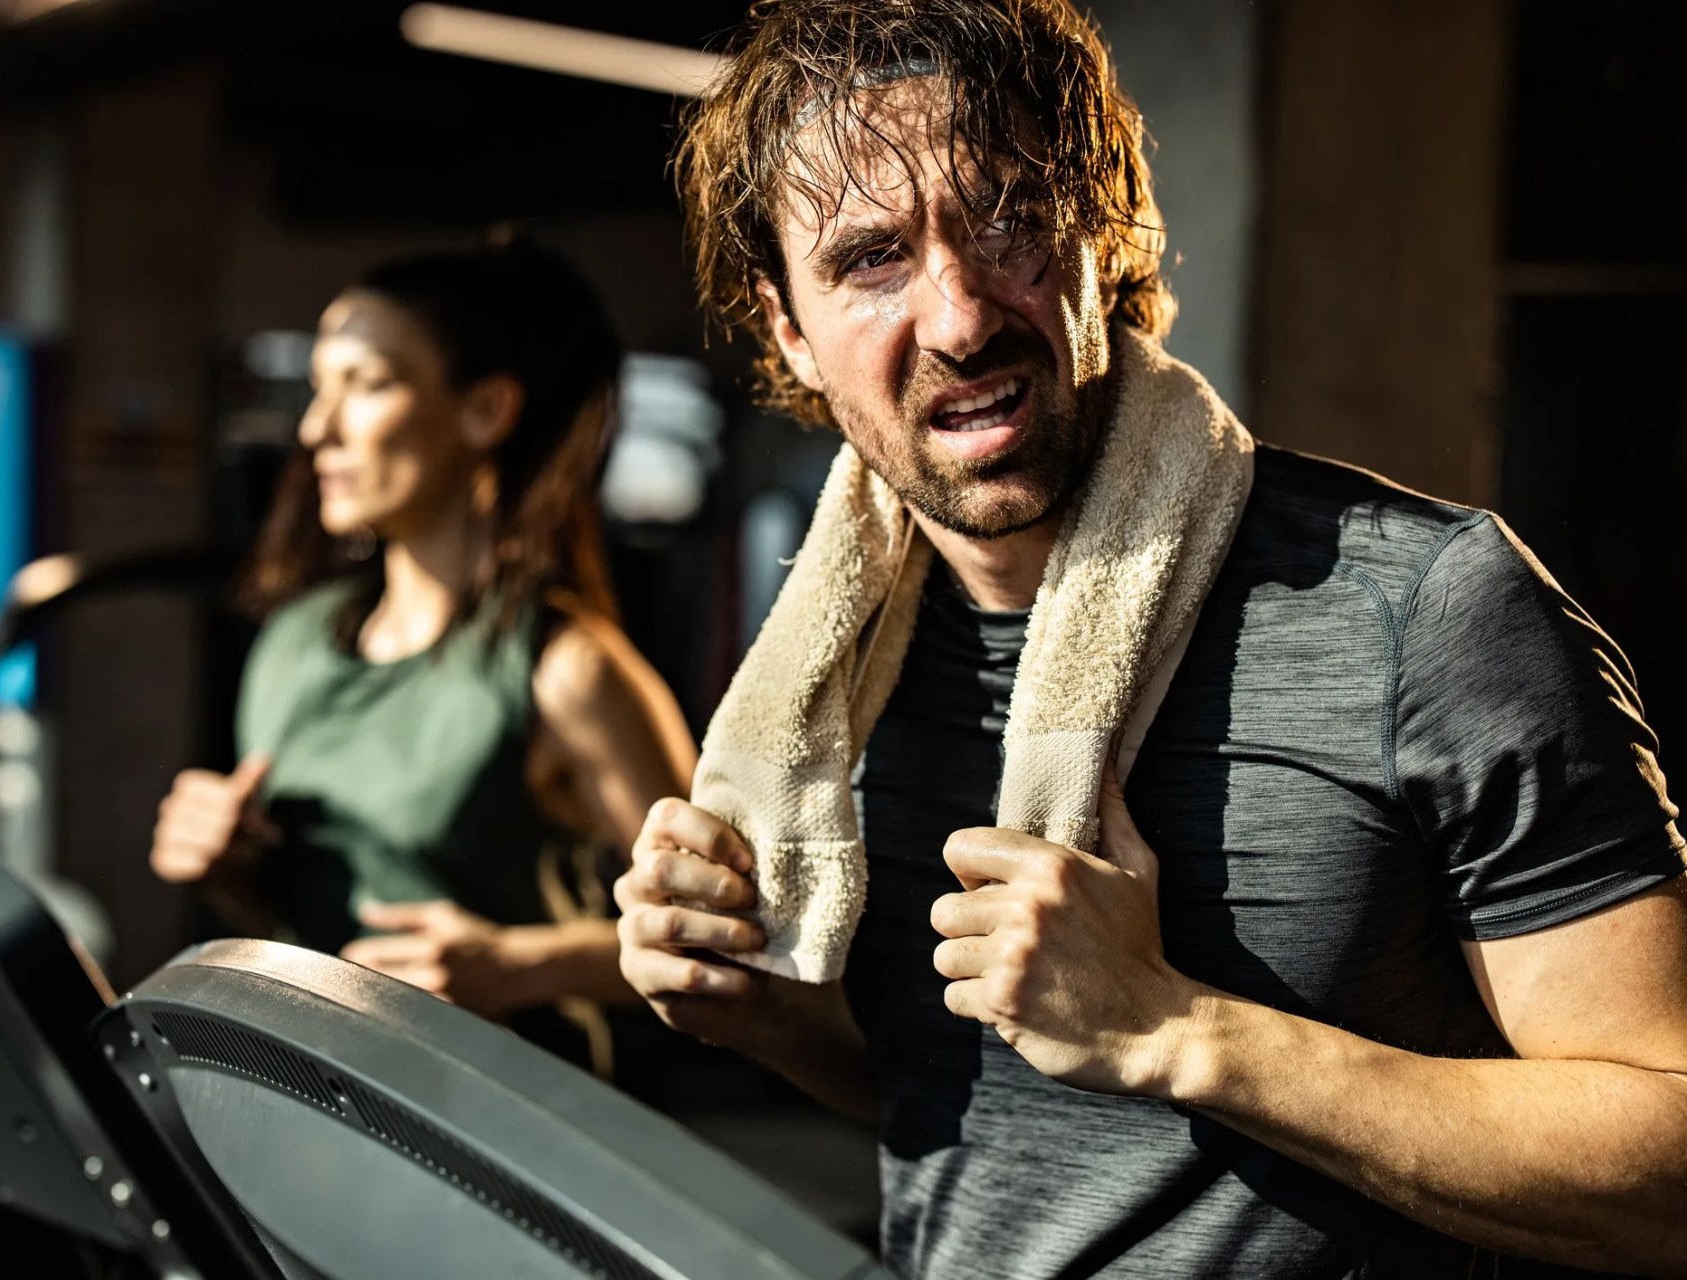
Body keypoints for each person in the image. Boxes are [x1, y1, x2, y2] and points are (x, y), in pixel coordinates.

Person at [615, 3, 1687, 1277]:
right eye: (870, 259)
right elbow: (976, 1096)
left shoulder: (1428, 607)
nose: (959, 317)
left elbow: (1667, 1166)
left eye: (1008, 216)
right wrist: (763, 1013)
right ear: (787, 326)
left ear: (1102, 238)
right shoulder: (833, 684)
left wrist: (1181, 1030)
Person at [149, 237, 694, 1058]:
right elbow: (307, 927)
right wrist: (226, 866)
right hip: (315, 1100)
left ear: (485, 411)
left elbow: (721, 939)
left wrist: (520, 965)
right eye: (316, 388)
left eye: (366, 385)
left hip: (505, 1131)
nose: (315, 428)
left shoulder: (571, 669)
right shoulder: (295, 643)